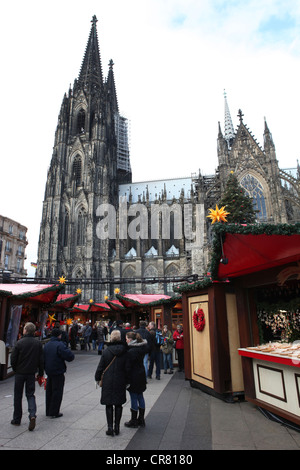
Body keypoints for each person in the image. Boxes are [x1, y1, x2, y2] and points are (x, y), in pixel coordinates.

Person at [10, 322, 44, 431]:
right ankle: (32, 414)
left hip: (20, 373)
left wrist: (15, 369)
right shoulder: (38, 344)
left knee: (18, 395)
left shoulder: (19, 343)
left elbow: (13, 359)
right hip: (31, 373)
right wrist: (40, 372)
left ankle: (17, 418)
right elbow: (41, 360)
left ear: (25, 330)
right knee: (30, 394)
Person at [95, 329, 127, 436]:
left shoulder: (107, 351)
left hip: (108, 380)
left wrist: (97, 377)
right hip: (120, 379)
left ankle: (110, 427)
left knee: (108, 404)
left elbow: (101, 366)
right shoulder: (124, 351)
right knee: (118, 404)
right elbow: (127, 367)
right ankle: (117, 427)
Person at [44, 328, 74, 418]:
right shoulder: (60, 345)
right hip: (58, 370)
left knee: (49, 391)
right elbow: (70, 356)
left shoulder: (47, 345)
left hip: (49, 370)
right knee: (57, 391)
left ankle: (48, 410)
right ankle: (54, 411)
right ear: (59, 335)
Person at [124, 331, 148, 428]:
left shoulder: (131, 351)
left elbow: (128, 367)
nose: (125, 340)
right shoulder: (141, 349)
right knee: (140, 396)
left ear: (130, 339)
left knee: (133, 397)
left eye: (126, 338)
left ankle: (133, 420)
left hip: (133, 377)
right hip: (141, 374)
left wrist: (126, 379)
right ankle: (141, 419)